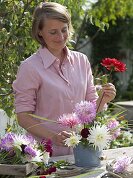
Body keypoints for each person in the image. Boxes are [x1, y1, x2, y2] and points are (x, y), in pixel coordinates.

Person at [12, 2, 116, 156]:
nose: (61, 37)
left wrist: (104, 99)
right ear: (40, 32)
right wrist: (53, 137)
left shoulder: (82, 61)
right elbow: (23, 117)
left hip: (83, 152)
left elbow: (90, 111)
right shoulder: (30, 68)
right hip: (46, 156)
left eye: (64, 30)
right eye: (53, 32)